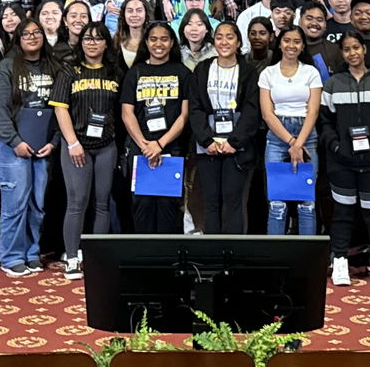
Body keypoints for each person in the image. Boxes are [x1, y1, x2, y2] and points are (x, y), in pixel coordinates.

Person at [320, 32, 370, 289]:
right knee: (342, 213)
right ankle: (340, 259)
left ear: (364, 49)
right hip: (341, 161)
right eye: (347, 49)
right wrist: (335, 146)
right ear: (342, 53)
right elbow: (324, 122)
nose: (352, 53)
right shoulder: (333, 84)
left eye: (356, 47)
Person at [48, 22, 121, 280]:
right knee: (77, 204)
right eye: (87, 38)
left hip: (106, 147)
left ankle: (97, 259)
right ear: (81, 42)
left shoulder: (114, 72)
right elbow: (60, 108)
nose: (92, 43)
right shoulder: (69, 70)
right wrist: (72, 143)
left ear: (106, 43)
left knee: (102, 205)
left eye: (98, 39)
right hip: (76, 146)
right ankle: (71, 257)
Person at [0, 19, 60, 276]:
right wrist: (15, 142)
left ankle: (32, 252)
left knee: (37, 204)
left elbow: (62, 108)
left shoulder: (54, 67)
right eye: (25, 34)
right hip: (12, 148)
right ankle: (11, 256)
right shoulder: (6, 68)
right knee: (15, 204)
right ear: (17, 39)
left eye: (36, 32)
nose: (31, 37)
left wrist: (54, 142)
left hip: (44, 147)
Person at [121, 22, 192, 234]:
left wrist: (160, 144)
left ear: (171, 43)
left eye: (164, 39)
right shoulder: (135, 72)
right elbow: (127, 113)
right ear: (146, 42)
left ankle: (165, 262)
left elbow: (185, 114)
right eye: (153, 39)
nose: (158, 44)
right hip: (140, 151)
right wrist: (145, 145)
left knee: (168, 208)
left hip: (171, 149)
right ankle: (144, 261)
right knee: (141, 207)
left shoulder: (183, 73)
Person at [189, 21, 260, 234]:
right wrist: (207, 141)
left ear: (239, 42)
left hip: (237, 147)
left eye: (230, 37)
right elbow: (195, 108)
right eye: (219, 37)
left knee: (234, 201)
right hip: (208, 146)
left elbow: (252, 110)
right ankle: (213, 256)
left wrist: (233, 142)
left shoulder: (248, 72)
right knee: (210, 202)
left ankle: (233, 256)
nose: (224, 41)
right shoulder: (202, 69)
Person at [259, 25, 323, 236]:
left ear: (303, 45)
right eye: (287, 41)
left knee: (307, 202)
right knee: (277, 202)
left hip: (307, 135)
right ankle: (274, 256)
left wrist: (299, 143)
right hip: (277, 137)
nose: (291, 46)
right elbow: (268, 114)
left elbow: (313, 111)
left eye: (296, 41)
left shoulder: (311, 72)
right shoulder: (268, 73)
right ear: (279, 43)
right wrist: (291, 142)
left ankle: (308, 258)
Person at [112, 0, 149, 69]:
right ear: (124, 14)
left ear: (146, 13)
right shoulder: (115, 42)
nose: (134, 15)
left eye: (139, 10)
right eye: (130, 11)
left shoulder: (153, 40)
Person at [177, 6, 216, 70]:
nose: (194, 29)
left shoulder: (215, 52)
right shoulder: (177, 53)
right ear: (183, 29)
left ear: (207, 29)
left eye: (199, 24)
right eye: (189, 24)